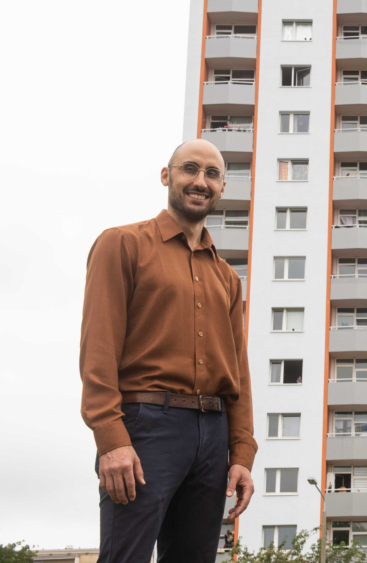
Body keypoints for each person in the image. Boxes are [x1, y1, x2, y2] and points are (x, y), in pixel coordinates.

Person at [79, 139, 256, 563]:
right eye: (189, 169)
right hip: (144, 429)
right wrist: (111, 440)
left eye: (212, 174)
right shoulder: (121, 245)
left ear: (222, 187)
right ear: (166, 176)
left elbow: (240, 376)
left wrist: (242, 452)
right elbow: (97, 351)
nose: (200, 181)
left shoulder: (228, 279)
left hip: (213, 436)